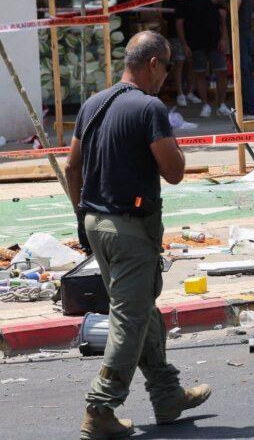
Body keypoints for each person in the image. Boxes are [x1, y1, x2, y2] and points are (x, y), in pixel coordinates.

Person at [65, 31, 212, 438]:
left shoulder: (94, 104)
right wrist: (175, 142)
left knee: (143, 311)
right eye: (166, 67)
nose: (167, 75)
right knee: (130, 320)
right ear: (152, 64)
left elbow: (72, 166)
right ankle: (100, 408)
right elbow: (174, 172)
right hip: (131, 233)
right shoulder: (150, 109)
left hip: (97, 224)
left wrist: (82, 216)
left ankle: (167, 396)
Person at [177, 0, 230, 118]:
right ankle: (205, 104)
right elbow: (179, 23)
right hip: (195, 43)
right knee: (200, 74)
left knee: (222, 72)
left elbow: (223, 18)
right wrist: (184, 44)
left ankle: (222, 104)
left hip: (216, 41)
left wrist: (224, 38)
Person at [163, 0, 197, 107]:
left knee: (192, 62)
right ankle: (180, 93)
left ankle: (190, 92)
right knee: (179, 61)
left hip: (192, 30)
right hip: (175, 28)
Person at [236, 0, 254, 118]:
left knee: (244, 71)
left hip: (242, 32)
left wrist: (220, 1)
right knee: (244, 70)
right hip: (245, 31)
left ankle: (250, 109)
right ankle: (248, 107)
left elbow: (234, 8)